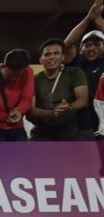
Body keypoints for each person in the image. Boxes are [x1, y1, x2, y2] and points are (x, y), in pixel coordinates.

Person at [29, 38, 88, 141]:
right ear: (40, 59)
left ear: (63, 57)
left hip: (68, 131)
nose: (52, 57)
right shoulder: (34, 80)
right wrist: (52, 113)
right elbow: (31, 110)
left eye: (56, 53)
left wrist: (68, 106)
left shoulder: (75, 73)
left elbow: (83, 100)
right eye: (47, 54)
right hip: (41, 131)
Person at [63, 1, 104, 138]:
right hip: (77, 126)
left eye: (97, 44)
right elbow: (65, 45)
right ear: (80, 49)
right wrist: (88, 18)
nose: (92, 48)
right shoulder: (76, 63)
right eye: (87, 45)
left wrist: (98, 19)